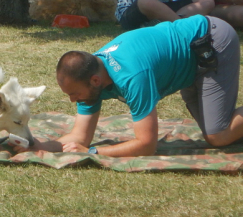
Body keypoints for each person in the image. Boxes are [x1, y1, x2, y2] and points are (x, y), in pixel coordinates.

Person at [43, 15, 243, 157]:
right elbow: (79, 137)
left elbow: (147, 145)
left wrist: (94, 152)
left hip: (211, 42)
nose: (72, 100)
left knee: (218, 135)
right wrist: (36, 146)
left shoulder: (132, 76)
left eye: (75, 94)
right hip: (189, 60)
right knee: (215, 131)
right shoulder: (90, 71)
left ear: (95, 81)